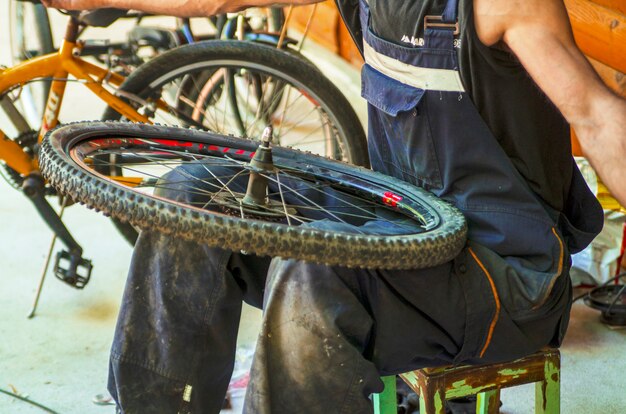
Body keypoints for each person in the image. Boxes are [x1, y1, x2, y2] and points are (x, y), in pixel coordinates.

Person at [43, 0, 626, 413]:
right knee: (198, 192)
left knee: (315, 270)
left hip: (503, 274)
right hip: (398, 226)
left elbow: (597, 115)